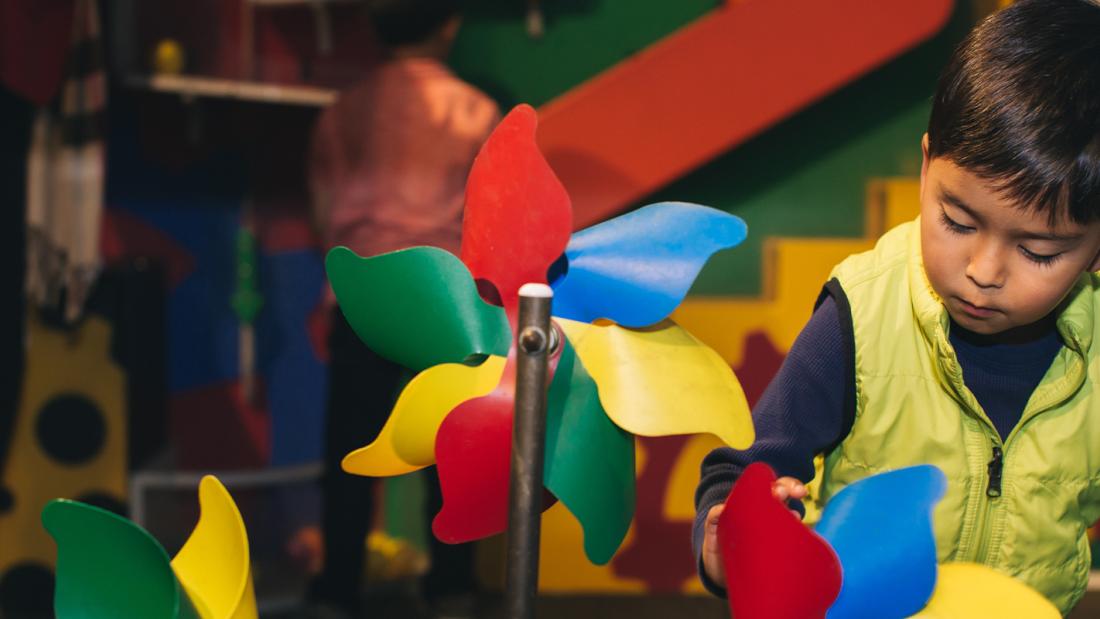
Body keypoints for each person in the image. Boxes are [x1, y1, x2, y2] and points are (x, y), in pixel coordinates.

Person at [694, 0, 1100, 614]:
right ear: (926, 165)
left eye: (1039, 251)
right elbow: (744, 469)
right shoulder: (859, 316)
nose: (982, 272)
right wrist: (727, 542)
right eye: (956, 220)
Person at [307, 0, 500, 616]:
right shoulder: (474, 109)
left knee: (347, 452)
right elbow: (489, 219)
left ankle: (337, 590)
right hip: (442, 300)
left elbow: (322, 211)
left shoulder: (343, 112)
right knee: (449, 452)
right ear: (449, 24)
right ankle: (450, 588)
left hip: (361, 295)